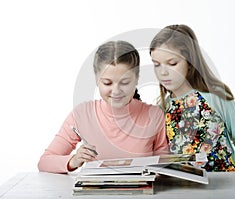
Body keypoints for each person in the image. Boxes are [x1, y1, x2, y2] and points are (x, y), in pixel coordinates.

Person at [38, 40, 169, 173]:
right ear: (97, 80)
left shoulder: (154, 115)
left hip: (142, 192)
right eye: (107, 83)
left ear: (136, 79)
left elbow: (165, 167)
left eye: (125, 82)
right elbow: (44, 162)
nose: (116, 91)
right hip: (95, 193)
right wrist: (74, 161)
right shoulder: (82, 114)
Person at [149, 24, 235, 171]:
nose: (163, 72)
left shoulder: (216, 95)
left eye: (172, 63)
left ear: (190, 62)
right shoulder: (163, 107)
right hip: (186, 191)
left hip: (229, 188)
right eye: (156, 65)